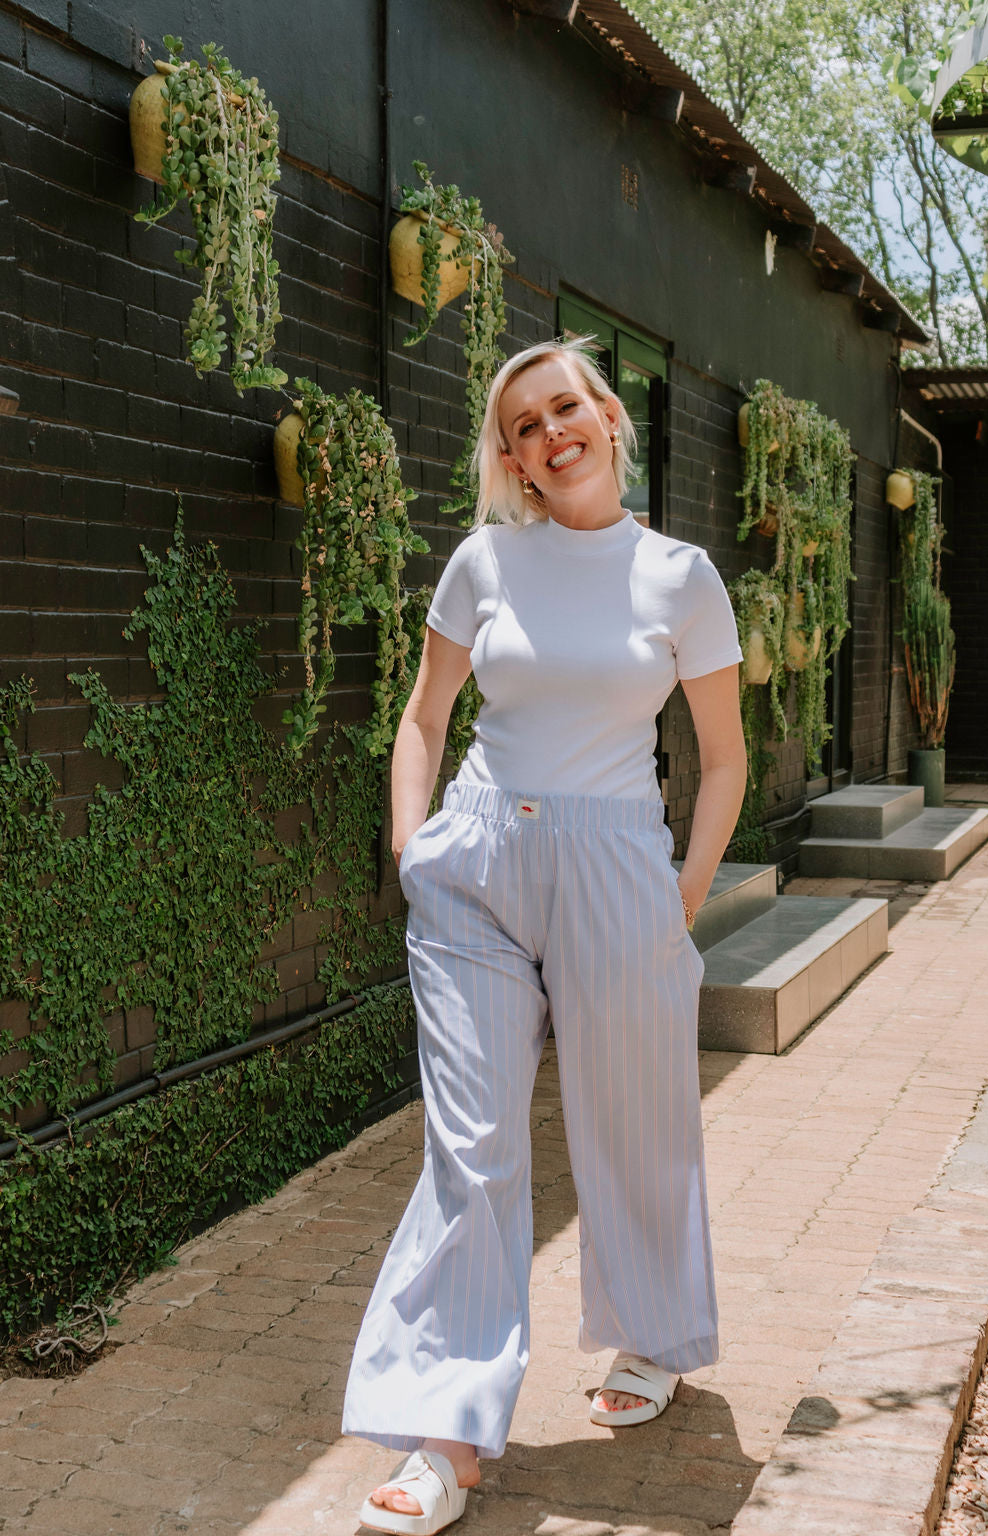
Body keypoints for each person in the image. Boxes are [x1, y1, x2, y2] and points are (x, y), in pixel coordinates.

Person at [343, 335, 747, 1535]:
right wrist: (413, 848)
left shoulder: (680, 576)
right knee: (471, 1148)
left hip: (617, 863)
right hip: (476, 863)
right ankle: (446, 1437)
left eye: (563, 407)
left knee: (637, 1121)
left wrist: (681, 895)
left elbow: (720, 759)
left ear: (609, 415)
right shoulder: (483, 563)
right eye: (521, 425)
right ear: (509, 456)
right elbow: (422, 719)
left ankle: (655, 1337)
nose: (547, 434)